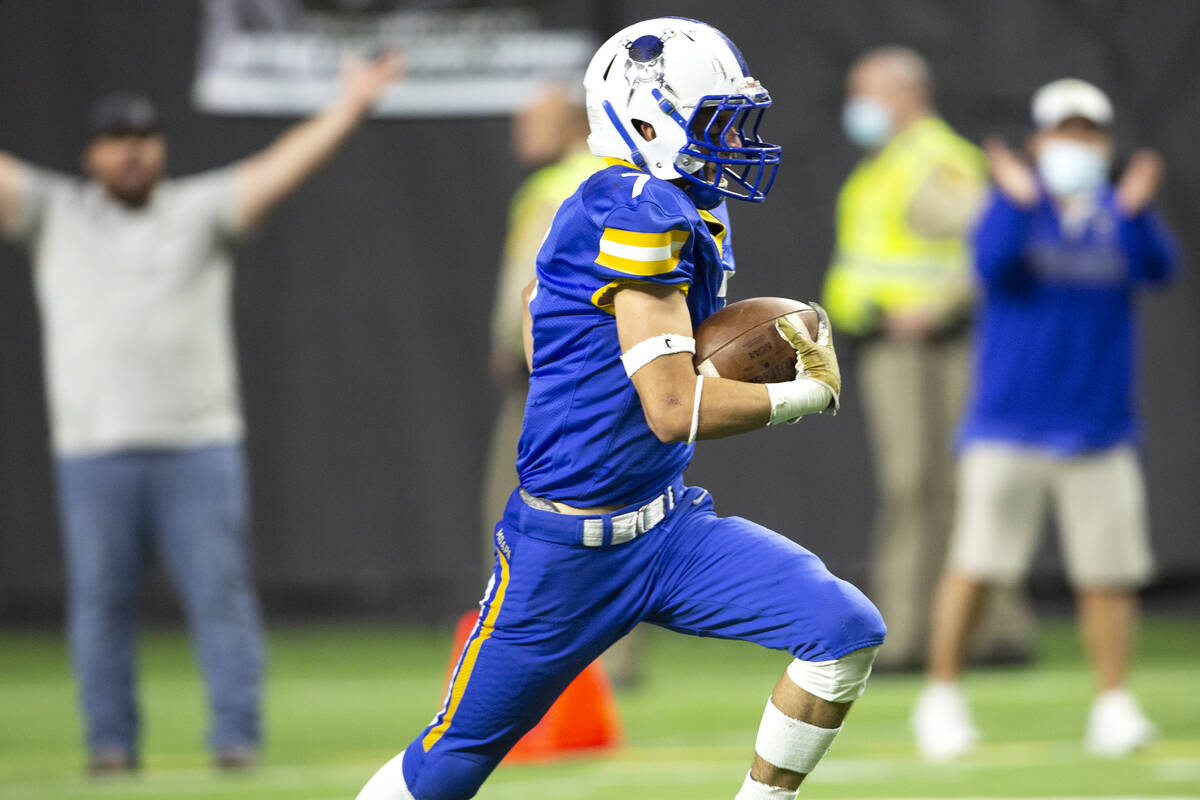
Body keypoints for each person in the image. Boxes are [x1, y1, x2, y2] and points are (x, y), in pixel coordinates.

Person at [358, 18, 886, 800]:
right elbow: (673, 408)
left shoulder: (670, 204)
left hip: (665, 530)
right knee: (449, 764)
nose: (734, 139)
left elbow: (553, 340)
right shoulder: (639, 207)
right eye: (714, 120)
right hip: (564, 555)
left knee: (843, 629)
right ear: (645, 122)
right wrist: (803, 392)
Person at [0, 53, 402, 773]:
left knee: (219, 594)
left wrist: (349, 105)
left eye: (145, 137)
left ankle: (236, 739)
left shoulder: (195, 210)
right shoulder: (56, 213)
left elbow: (280, 167)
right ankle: (110, 745)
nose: (132, 150)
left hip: (197, 444)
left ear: (160, 148)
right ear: (93, 153)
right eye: (118, 139)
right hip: (93, 449)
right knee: (100, 604)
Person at [912, 78, 1178, 761]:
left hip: (1098, 427)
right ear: (1039, 141)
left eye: (1089, 133)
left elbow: (1160, 269)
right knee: (977, 564)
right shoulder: (1012, 206)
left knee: (1108, 573)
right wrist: (1016, 203)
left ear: (1106, 143)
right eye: (1065, 132)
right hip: (1008, 423)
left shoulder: (1119, 215)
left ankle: (1113, 704)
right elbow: (993, 267)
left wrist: (1140, 212)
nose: (1077, 145)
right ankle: (941, 698)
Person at [821, 46, 1033, 672]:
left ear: (907, 94)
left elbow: (989, 239)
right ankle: (954, 631)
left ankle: (952, 634)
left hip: (932, 350)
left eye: (868, 93)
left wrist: (937, 309)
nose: (856, 108)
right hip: (887, 345)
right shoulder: (886, 163)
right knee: (923, 488)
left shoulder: (935, 160)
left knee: (939, 487)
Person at [482, 85, 657, 688]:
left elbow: (530, 289)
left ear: (568, 124)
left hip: (555, 377)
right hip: (604, 374)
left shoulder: (564, 187)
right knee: (614, 504)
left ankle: (531, 651)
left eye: (531, 121)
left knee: (528, 513)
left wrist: (514, 348)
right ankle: (611, 662)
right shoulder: (620, 178)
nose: (519, 133)